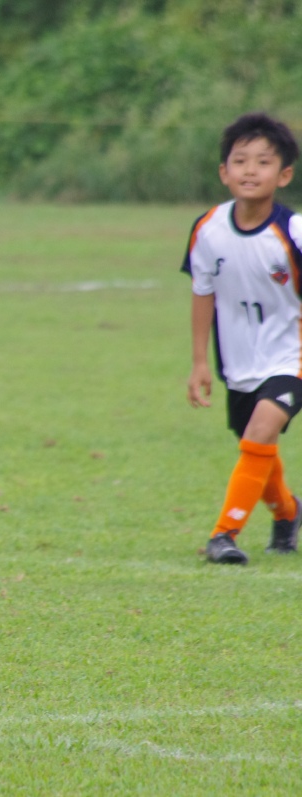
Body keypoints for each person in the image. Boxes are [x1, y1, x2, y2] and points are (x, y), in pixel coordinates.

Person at [185, 112, 302, 565]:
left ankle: (223, 534)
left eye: (263, 162)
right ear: (224, 172)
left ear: (284, 175)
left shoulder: (292, 232)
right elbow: (203, 294)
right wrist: (199, 362)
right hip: (238, 360)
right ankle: (288, 512)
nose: (250, 170)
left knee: (260, 430)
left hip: (291, 356)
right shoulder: (208, 229)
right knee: (255, 444)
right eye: (240, 160)